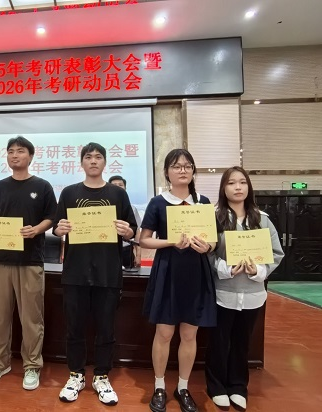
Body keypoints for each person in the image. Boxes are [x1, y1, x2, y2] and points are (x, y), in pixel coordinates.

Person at [54, 143, 137, 406]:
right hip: (75, 272)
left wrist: (127, 231)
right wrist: (60, 229)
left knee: (106, 328)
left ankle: (101, 375)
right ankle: (76, 375)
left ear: (105, 162)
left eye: (98, 157)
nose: (93, 161)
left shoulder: (118, 194)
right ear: (81, 162)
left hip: (108, 272)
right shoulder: (69, 192)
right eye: (88, 157)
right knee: (74, 327)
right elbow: (57, 227)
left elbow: (132, 230)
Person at [139, 148, 216, 412]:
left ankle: (183, 387)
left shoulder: (203, 202)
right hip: (168, 271)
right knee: (164, 332)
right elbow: (144, 239)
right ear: (167, 172)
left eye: (187, 166)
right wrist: (171, 241)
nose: (182, 170)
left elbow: (214, 240)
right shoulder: (158, 202)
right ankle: (159, 385)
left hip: (196, 272)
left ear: (193, 171)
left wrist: (207, 246)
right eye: (176, 166)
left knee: (189, 333)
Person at [0, 136, 57, 391]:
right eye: (11, 151)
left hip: (30, 262)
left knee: (32, 319)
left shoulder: (42, 186)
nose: (15, 155)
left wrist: (36, 229)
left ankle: (32, 366)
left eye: (20, 151)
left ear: (31, 156)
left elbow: (51, 217)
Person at [205, 166, 284, 411]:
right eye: (231, 183)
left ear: (249, 186)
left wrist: (258, 270)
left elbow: (276, 253)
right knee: (219, 342)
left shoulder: (262, 219)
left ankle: (238, 387)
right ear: (223, 188)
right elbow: (207, 253)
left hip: (252, 294)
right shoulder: (214, 218)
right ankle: (216, 386)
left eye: (242, 182)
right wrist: (225, 269)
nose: (237, 187)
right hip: (223, 292)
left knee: (242, 343)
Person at [108, 175, 142, 268]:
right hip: (107, 250)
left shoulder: (131, 208)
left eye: (120, 185)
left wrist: (138, 255)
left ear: (125, 188)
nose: (118, 187)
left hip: (126, 250)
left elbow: (137, 231)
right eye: (114, 185)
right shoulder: (103, 208)